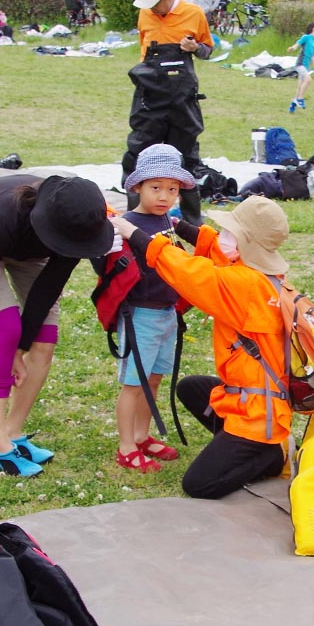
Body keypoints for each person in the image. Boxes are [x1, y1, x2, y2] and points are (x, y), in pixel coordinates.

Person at [108, 195, 292, 500]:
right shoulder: (262, 273)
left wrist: (135, 234)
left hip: (259, 415)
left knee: (198, 484)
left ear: (246, 242)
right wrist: (178, 225)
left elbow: (185, 270)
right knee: (192, 388)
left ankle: (269, 457)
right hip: (261, 395)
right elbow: (219, 251)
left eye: (232, 232)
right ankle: (235, 445)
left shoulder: (240, 284)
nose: (224, 236)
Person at [0, 174, 113, 477]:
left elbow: (45, 290)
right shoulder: (3, 217)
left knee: (44, 339)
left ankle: (12, 432)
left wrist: (21, 349)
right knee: (7, 325)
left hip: (32, 247)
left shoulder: (77, 229)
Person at [112, 144, 194, 474]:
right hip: (140, 315)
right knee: (135, 383)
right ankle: (126, 445)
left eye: (172, 189)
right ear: (137, 187)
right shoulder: (125, 224)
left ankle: (142, 435)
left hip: (167, 313)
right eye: (156, 187)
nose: (164, 195)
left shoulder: (170, 222)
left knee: (155, 379)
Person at [124, 0, 214, 225]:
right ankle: (136, 220)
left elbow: (207, 50)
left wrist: (195, 48)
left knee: (186, 159)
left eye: (155, 3)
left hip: (182, 99)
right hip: (150, 97)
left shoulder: (194, 14)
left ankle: (192, 223)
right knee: (137, 155)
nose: (151, 8)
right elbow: (143, 52)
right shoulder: (145, 13)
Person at [286, 23, 314, 113]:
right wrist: (292, 48)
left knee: (300, 86)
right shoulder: (306, 37)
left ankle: (293, 104)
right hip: (300, 64)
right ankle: (300, 98)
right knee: (308, 80)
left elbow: (311, 55)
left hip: (306, 66)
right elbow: (297, 44)